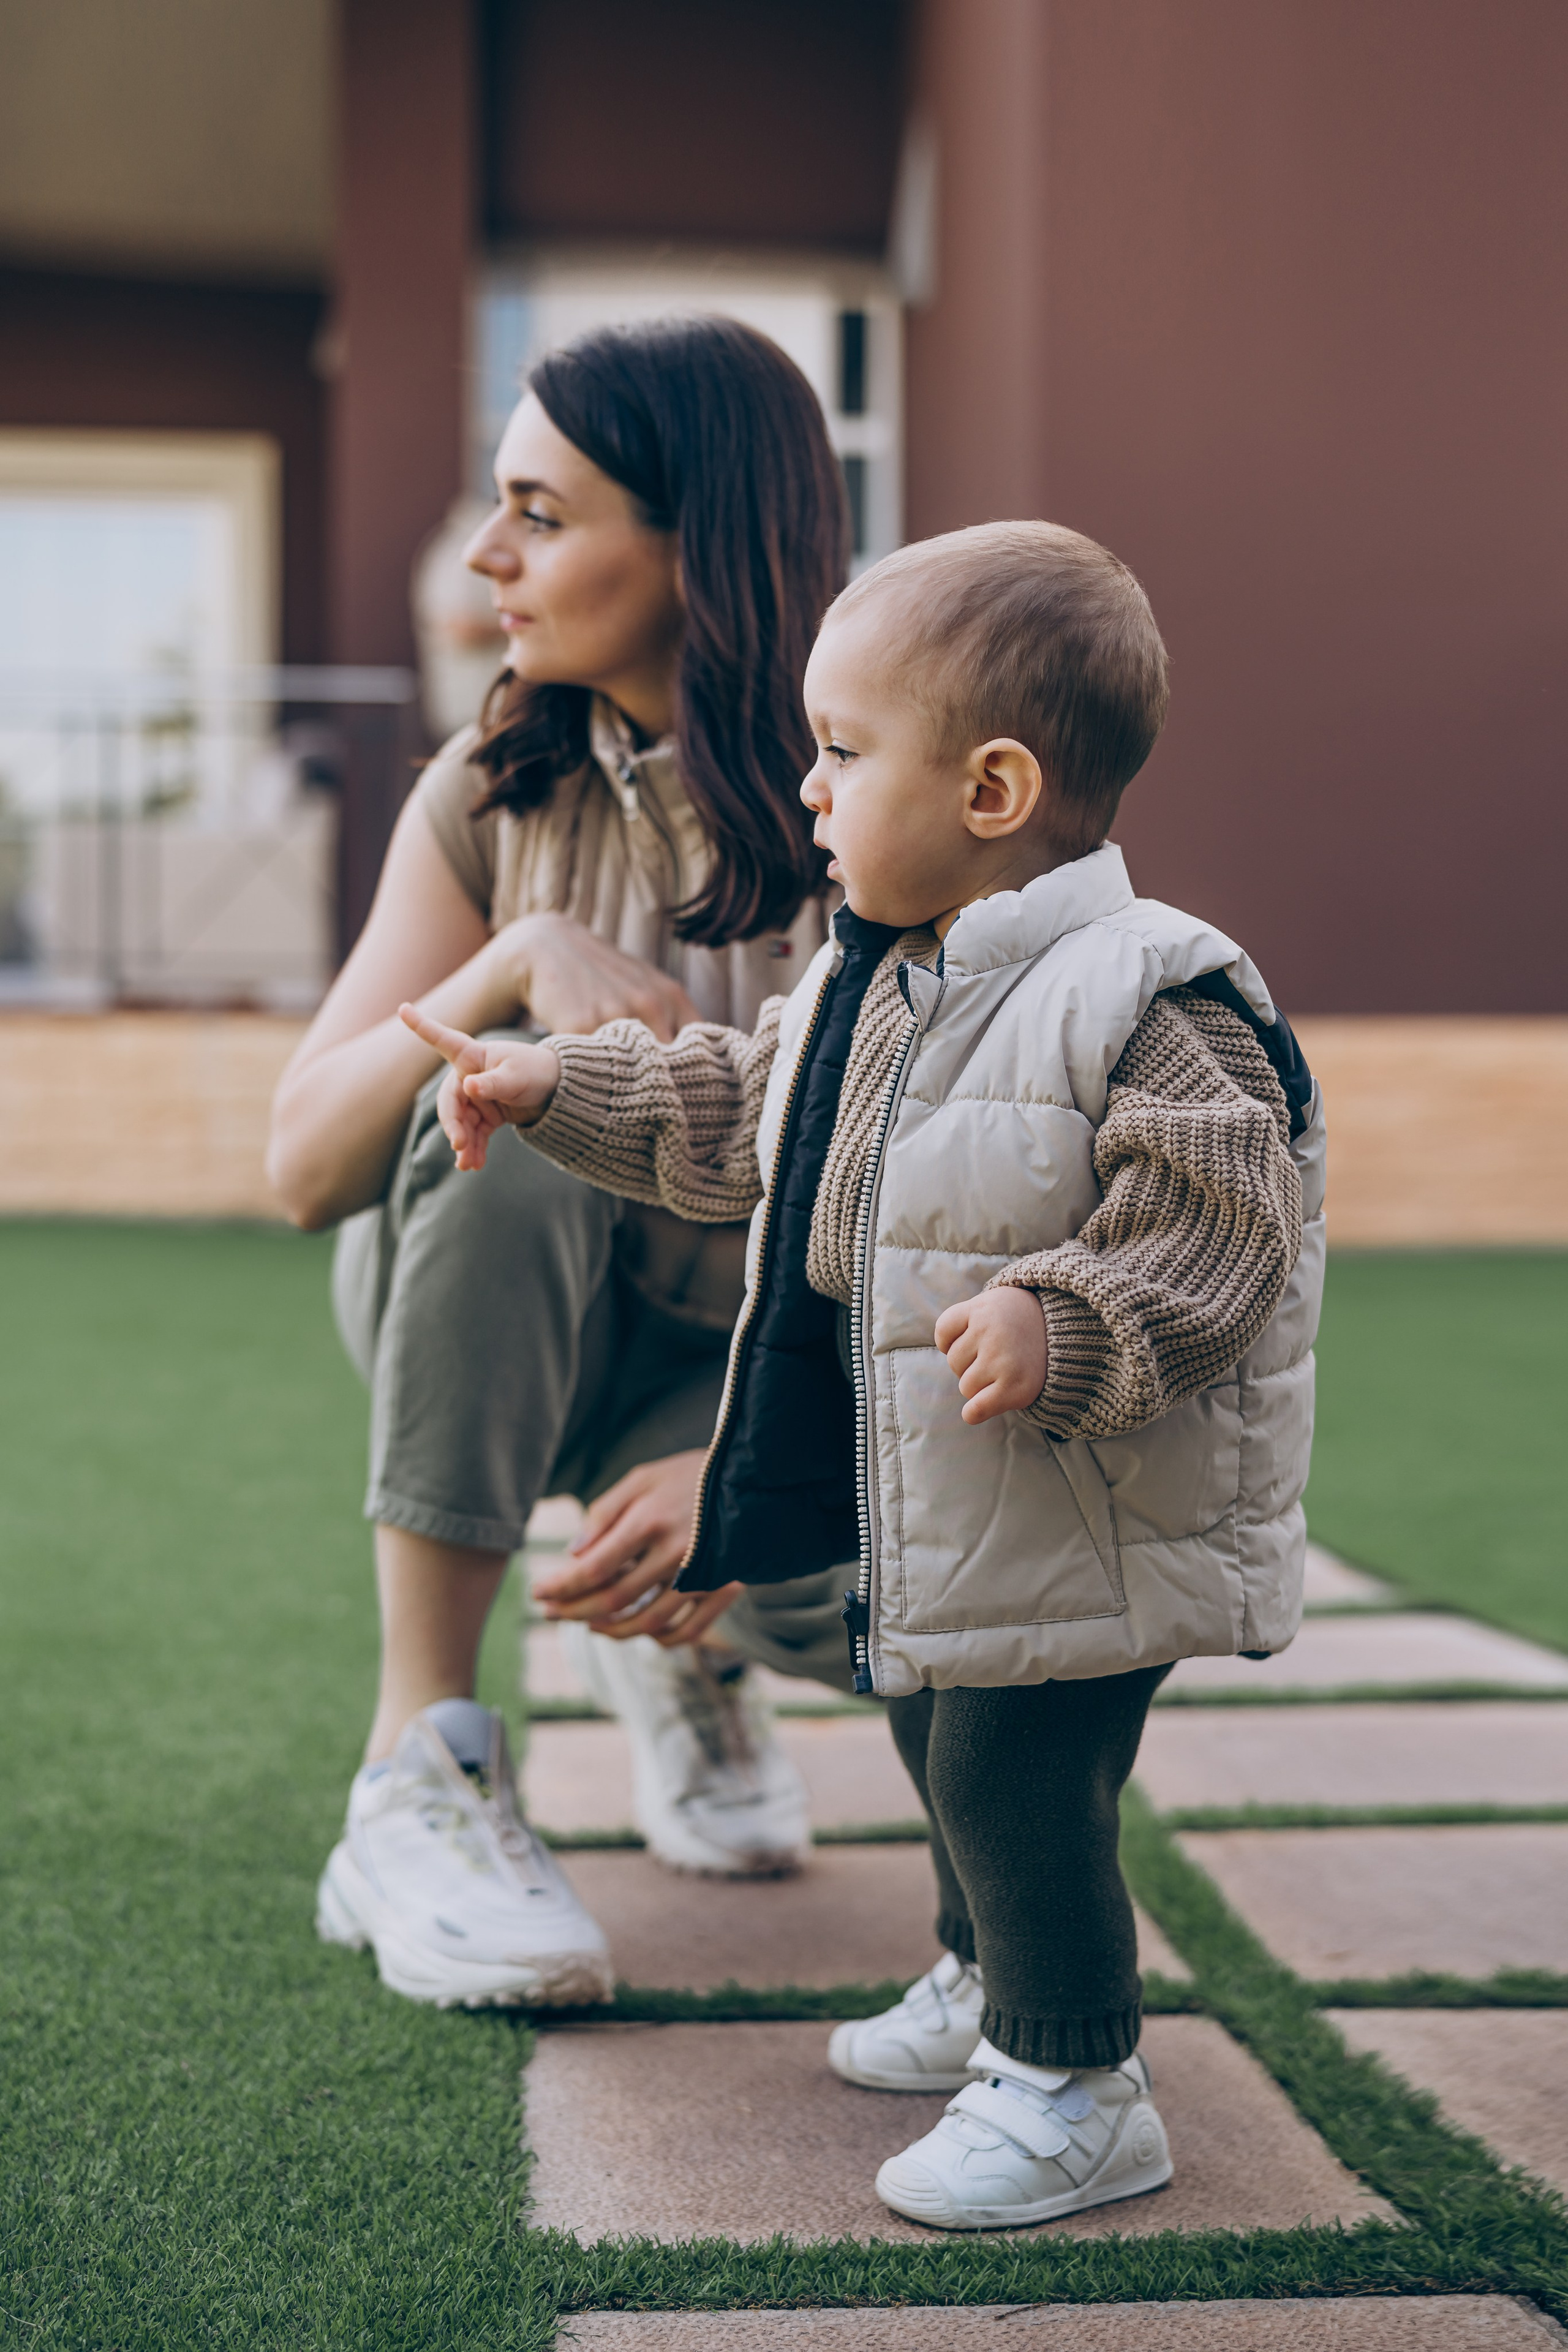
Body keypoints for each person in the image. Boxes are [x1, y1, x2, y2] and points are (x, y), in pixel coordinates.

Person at [404, 519, 1325, 2223]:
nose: (809, 794)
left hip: (1087, 1499)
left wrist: (1071, 1320)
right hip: (965, 1499)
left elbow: (1216, 1220)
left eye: (840, 754)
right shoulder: (877, 982)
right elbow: (738, 1116)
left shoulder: (1146, 991)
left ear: (989, 791)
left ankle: (1076, 2082)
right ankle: (987, 1982)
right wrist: (556, 1091)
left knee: (1009, 1767)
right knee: (932, 1720)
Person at [268, 318, 865, 2011]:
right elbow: (305, 1168)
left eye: (539, 511)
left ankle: (682, 1666)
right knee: (511, 1113)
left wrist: (754, 1463)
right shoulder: (488, 790)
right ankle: (418, 1767)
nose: (484, 556)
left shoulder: (884, 804)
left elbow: (965, 1214)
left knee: (924, 1584)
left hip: (758, 1367)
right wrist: (512, 964)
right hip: (500, 1312)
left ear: (701, 549)